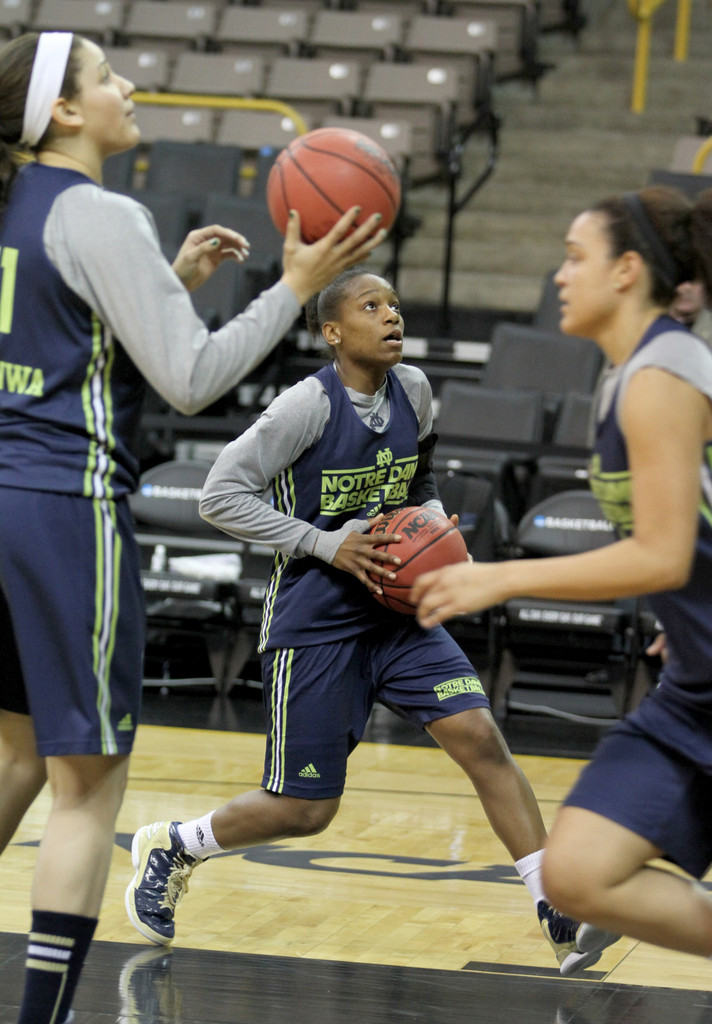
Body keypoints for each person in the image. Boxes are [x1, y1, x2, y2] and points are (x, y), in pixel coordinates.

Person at [0, 29, 387, 1024]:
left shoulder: (17, 206)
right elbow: (193, 377)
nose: (128, 88)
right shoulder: (94, 209)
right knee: (87, 789)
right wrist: (295, 289)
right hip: (59, 513)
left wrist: (162, 285)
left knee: (12, 757)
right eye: (107, 78)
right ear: (66, 113)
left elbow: (67, 339)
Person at [125, 266, 618, 977]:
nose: (392, 316)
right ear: (333, 332)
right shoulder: (303, 409)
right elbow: (218, 496)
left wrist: (435, 525)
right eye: (371, 306)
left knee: (479, 735)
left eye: (394, 304)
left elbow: (417, 482)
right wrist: (326, 542)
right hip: (316, 623)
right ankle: (176, 843)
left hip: (396, 613)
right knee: (303, 810)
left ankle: (557, 908)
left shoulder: (414, 390)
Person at [411, 185, 712, 965]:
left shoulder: (662, 377)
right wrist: (683, 620)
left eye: (575, 256)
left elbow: (663, 554)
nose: (559, 274)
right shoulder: (632, 373)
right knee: (575, 877)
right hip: (700, 681)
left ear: (626, 271)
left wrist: (500, 579)